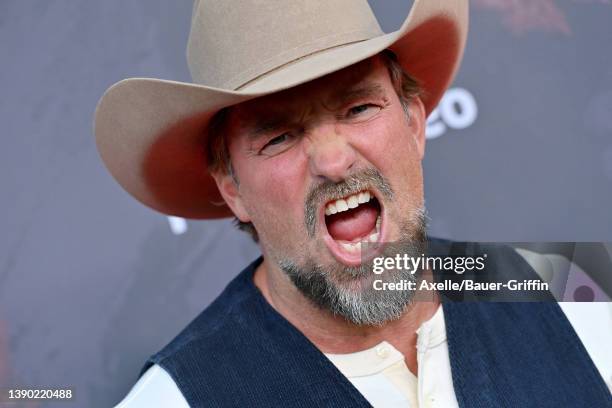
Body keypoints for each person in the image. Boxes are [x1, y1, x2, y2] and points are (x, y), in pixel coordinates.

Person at [95, 1, 612, 406]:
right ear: (233, 189)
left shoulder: (578, 291)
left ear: (414, 122)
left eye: (359, 107)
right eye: (278, 137)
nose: (333, 159)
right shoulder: (172, 399)